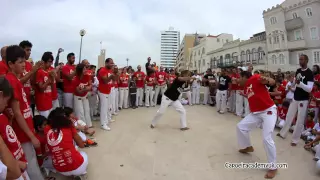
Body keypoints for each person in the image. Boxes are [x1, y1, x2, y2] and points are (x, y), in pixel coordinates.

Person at [5, 45, 44, 180]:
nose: (23, 64)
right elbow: (17, 113)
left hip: (26, 129)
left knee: (31, 160)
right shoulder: (10, 81)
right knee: (30, 163)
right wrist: (31, 136)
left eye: (24, 61)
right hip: (22, 133)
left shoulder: (16, 79)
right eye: (20, 62)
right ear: (10, 64)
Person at [236, 71, 278, 179]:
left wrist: (269, 80)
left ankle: (273, 167)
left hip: (268, 111)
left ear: (245, 77)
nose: (237, 80)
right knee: (240, 127)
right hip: (256, 113)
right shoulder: (246, 87)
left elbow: (270, 81)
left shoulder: (255, 78)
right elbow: (252, 95)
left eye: (239, 78)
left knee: (266, 138)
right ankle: (248, 147)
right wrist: (244, 94)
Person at [277, 55, 314, 146]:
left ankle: (295, 140)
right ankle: (283, 133)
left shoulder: (310, 73)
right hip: (295, 97)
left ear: (306, 60)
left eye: (301, 59)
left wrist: (300, 84)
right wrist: (292, 84)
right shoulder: (298, 71)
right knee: (289, 116)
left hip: (303, 99)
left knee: (300, 120)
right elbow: (295, 81)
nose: (300, 61)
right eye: (299, 59)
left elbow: (309, 89)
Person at [46, 108, 88, 179]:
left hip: (60, 170)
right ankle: (81, 174)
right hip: (76, 166)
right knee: (84, 154)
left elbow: (48, 150)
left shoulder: (47, 129)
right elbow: (82, 145)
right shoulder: (69, 126)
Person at [0, 77, 29, 180]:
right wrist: (16, 164)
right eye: (6, 100)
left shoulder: (2, 115)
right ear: (0, 95)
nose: (7, 104)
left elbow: (7, 135)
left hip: (18, 165)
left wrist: (10, 120)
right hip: (12, 170)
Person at [35, 52, 55, 118]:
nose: (50, 64)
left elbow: (51, 87)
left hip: (49, 100)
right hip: (42, 103)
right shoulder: (40, 72)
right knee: (45, 123)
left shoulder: (49, 71)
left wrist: (52, 78)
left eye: (51, 62)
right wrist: (49, 79)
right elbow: (41, 89)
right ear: (44, 61)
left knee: (50, 122)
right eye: (49, 62)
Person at [98, 58, 115, 131]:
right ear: (106, 63)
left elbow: (113, 79)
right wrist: (111, 76)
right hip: (102, 91)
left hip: (108, 91)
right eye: (111, 63)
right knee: (104, 108)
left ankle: (107, 120)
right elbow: (105, 81)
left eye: (112, 63)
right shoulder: (102, 70)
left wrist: (115, 74)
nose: (112, 64)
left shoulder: (110, 70)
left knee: (108, 106)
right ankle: (103, 124)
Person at [72, 64, 92, 128]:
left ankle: (88, 125)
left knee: (87, 110)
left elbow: (90, 85)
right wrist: (86, 88)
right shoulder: (75, 79)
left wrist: (86, 88)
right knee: (80, 112)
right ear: (80, 70)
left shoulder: (87, 76)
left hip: (85, 95)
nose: (86, 70)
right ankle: (83, 127)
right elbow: (79, 91)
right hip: (78, 97)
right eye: (84, 69)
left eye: (85, 68)